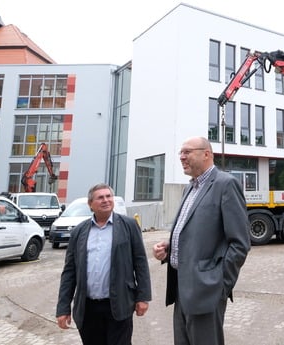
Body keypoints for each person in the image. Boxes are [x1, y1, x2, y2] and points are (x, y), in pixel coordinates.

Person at [153, 136, 251, 345]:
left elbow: (240, 243)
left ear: (206, 154)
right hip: (181, 288)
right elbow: (197, 233)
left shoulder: (225, 184)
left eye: (187, 152)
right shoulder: (190, 188)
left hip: (207, 291)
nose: (181, 157)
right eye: (181, 152)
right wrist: (170, 248)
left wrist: (219, 285)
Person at [56, 183, 151, 345]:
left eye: (109, 196)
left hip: (119, 304)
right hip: (88, 308)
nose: (106, 200)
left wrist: (143, 297)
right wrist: (63, 307)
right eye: (101, 197)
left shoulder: (129, 226)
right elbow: (69, 272)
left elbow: (140, 262)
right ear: (90, 204)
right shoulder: (79, 231)